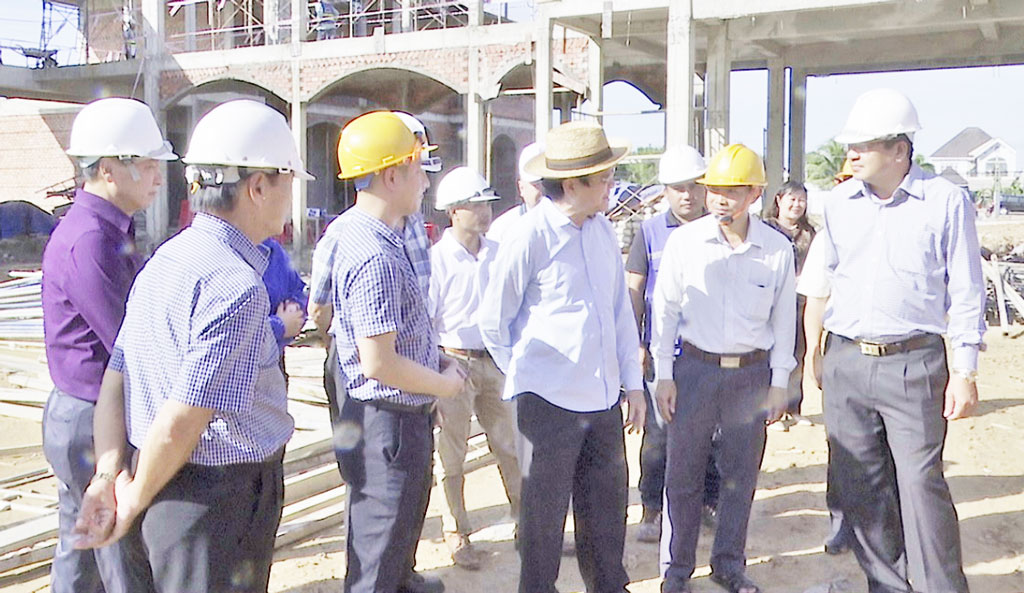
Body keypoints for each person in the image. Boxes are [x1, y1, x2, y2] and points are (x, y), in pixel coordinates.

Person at [72, 100, 312, 592]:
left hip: (154, 477)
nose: (292, 195)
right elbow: (186, 415)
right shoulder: (237, 286)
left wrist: (109, 474)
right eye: (288, 179)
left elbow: (116, 377)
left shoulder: (168, 257)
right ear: (258, 185)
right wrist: (132, 497)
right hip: (213, 500)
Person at [818, 88, 984, 593]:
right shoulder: (838, 204)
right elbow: (826, 281)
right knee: (861, 486)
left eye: (865, 145)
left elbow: (967, 289)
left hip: (913, 363)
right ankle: (885, 585)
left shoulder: (945, 202)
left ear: (899, 150)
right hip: (846, 359)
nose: (852, 154)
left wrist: (965, 370)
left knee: (920, 486)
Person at [479, 120, 646, 593]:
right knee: (543, 523)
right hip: (547, 404)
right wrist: (526, 376)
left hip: (601, 400)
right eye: (605, 179)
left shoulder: (601, 235)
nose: (611, 186)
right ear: (573, 185)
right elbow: (494, 319)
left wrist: (631, 383)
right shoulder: (529, 236)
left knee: (606, 515)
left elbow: (618, 316)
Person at [41, 97, 176, 593]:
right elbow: (128, 340)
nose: (157, 175)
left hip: (83, 410)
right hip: (90, 417)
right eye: (145, 164)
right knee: (115, 546)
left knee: (81, 546)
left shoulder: (106, 228)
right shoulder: (90, 240)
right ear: (107, 170)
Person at [326, 111, 465, 593]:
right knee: (377, 562)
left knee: (392, 544)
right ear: (391, 175)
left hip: (394, 416)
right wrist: (444, 385)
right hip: (387, 423)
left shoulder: (373, 236)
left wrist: (432, 366)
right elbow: (378, 362)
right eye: (419, 170)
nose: (426, 182)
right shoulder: (375, 253)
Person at [652, 143, 795, 593]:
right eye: (713, 189)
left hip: (750, 376)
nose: (718, 199)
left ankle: (728, 563)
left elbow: (784, 319)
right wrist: (663, 374)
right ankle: (676, 571)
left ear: (755, 193)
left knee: (739, 476)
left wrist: (778, 383)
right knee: (683, 475)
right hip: (694, 370)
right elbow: (665, 311)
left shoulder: (776, 249)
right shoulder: (686, 243)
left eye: (731, 191)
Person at [624, 145, 719, 544]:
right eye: (678, 188)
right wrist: (635, 343)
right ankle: (652, 507)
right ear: (664, 191)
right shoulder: (647, 234)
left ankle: (707, 503)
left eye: (694, 186)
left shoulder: (721, 228)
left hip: (709, 350)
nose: (688, 195)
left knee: (710, 432)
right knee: (660, 434)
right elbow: (634, 290)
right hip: (661, 353)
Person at [428, 166, 521, 570]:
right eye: (472, 205)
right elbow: (427, 321)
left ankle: (527, 523)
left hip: (494, 361)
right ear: (453, 212)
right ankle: (456, 530)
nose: (482, 213)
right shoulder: (438, 261)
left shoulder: (499, 254)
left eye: (485, 204)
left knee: (510, 447)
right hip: (453, 362)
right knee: (451, 456)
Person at [762, 180, 816, 431]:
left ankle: (794, 407)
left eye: (801, 200)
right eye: (791, 199)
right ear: (779, 200)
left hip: (801, 303)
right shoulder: (764, 230)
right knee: (768, 355)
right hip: (768, 303)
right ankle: (770, 412)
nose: (796, 204)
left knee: (797, 355)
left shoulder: (810, 234)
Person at [261, 236, 307, 379]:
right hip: (232, 374)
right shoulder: (221, 253)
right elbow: (235, 330)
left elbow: (298, 289)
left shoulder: (273, 250)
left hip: (274, 364)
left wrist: (295, 307)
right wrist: (279, 326)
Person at [486, 142, 544, 243]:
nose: (544, 191)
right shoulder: (503, 229)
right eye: (536, 184)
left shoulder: (575, 224)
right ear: (521, 188)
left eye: (549, 184)